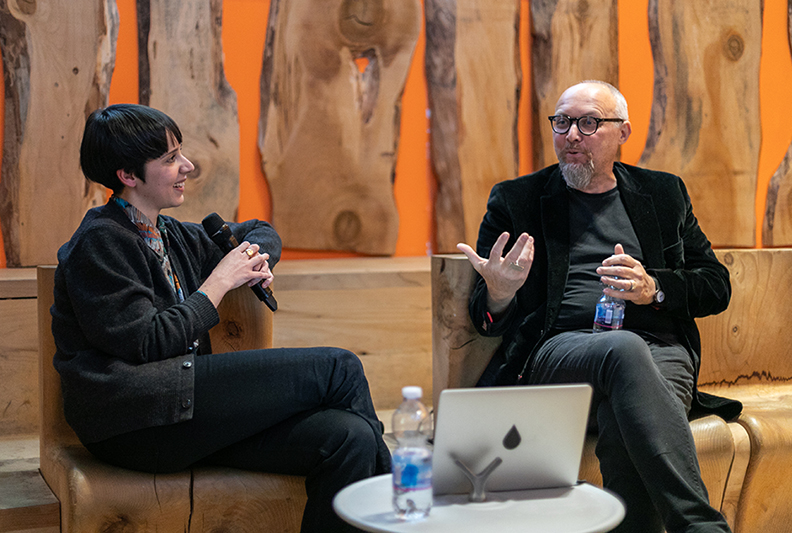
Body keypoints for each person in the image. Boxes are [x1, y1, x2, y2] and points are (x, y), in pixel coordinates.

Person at [51, 103, 390, 533]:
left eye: (181, 153)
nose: (187, 166)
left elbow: (258, 229)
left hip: (189, 410)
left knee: (348, 438)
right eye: (170, 159)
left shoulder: (170, 233)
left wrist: (254, 256)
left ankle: (392, 503)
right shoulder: (100, 242)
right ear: (128, 175)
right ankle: (403, 508)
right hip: (135, 423)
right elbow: (148, 342)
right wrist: (219, 281)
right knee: (340, 367)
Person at [458, 81, 741, 532]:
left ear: (622, 132)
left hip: (660, 348)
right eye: (562, 122)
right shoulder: (518, 199)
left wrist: (654, 288)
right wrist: (500, 292)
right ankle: (701, 526)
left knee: (621, 418)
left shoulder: (664, 194)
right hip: (559, 353)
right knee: (623, 349)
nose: (572, 134)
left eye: (589, 123)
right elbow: (484, 318)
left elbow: (716, 286)